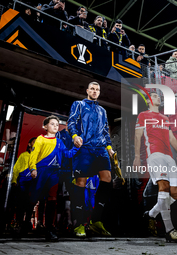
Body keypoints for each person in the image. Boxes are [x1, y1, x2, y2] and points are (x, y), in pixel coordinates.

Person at [134, 91, 177, 243]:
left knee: (175, 193)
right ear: (149, 100)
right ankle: (170, 230)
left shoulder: (165, 118)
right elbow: (138, 136)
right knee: (163, 188)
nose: (158, 97)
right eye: (155, 96)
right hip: (155, 155)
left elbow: (171, 136)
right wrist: (137, 157)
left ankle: (150, 214)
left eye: (159, 96)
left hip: (169, 156)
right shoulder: (143, 115)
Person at [68, 81, 114, 237]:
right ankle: (79, 224)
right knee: (81, 182)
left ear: (99, 92)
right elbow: (72, 122)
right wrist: (74, 136)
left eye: (97, 90)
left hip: (100, 148)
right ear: (87, 90)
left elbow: (105, 131)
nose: (95, 91)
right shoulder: (78, 104)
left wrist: (109, 147)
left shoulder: (102, 110)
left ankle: (95, 221)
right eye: (92, 89)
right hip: (84, 147)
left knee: (107, 178)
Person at [29, 115, 79, 241]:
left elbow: (67, 154)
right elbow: (33, 155)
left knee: (52, 199)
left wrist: (76, 147)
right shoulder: (40, 139)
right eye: (52, 124)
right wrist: (33, 168)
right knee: (35, 198)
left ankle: (49, 229)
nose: (55, 126)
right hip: (42, 171)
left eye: (57, 124)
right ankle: (25, 224)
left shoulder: (59, 142)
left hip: (55, 173)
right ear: (45, 126)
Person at [11, 137, 37, 234]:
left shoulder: (39, 156)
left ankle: (27, 223)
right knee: (21, 204)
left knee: (31, 204)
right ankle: (19, 223)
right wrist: (14, 180)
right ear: (29, 144)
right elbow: (16, 169)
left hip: (33, 182)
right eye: (34, 142)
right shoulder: (23, 155)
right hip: (23, 182)